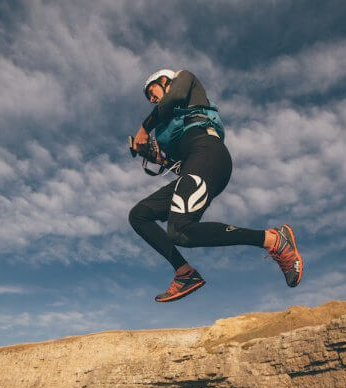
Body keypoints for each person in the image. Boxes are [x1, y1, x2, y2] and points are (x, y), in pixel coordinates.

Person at [130, 69, 303, 303]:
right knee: (139, 215)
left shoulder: (185, 82)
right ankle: (184, 273)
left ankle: (274, 241)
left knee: (179, 230)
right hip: (195, 165)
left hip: (209, 153)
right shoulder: (164, 127)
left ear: (164, 81)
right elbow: (182, 168)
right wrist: (157, 158)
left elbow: (176, 96)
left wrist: (144, 127)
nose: (151, 100)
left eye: (152, 92)